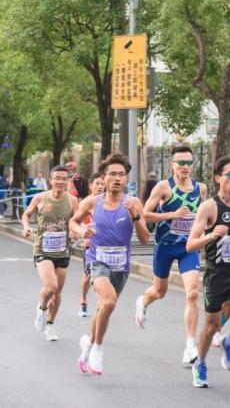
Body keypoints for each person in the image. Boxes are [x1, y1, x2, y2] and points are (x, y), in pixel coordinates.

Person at [70, 153, 150, 374]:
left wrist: (136, 217)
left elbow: (145, 239)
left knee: (103, 308)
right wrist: (81, 230)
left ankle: (86, 344)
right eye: (112, 174)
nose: (117, 178)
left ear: (126, 179)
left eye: (121, 175)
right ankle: (97, 348)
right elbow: (73, 221)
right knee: (109, 302)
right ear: (103, 178)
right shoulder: (92, 202)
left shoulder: (133, 203)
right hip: (97, 261)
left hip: (120, 266)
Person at [187, 157, 230, 388]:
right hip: (217, 275)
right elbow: (190, 245)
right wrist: (211, 235)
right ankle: (201, 362)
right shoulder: (209, 207)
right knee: (211, 326)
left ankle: (229, 342)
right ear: (218, 178)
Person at [135, 146, 208, 366]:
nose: (185, 167)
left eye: (188, 162)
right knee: (160, 291)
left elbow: (202, 216)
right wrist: (171, 214)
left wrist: (203, 234)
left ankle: (189, 346)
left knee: (193, 294)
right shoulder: (163, 187)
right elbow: (144, 214)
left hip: (187, 248)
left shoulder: (200, 188)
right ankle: (143, 301)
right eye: (181, 162)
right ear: (172, 164)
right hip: (165, 246)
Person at [21, 165, 79, 341]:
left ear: (68, 181)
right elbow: (26, 215)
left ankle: (50, 325)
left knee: (58, 292)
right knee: (51, 286)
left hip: (63, 251)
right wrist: (26, 227)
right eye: (57, 178)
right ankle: (42, 308)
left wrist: (76, 232)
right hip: (43, 250)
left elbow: (75, 222)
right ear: (51, 180)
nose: (61, 181)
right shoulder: (40, 198)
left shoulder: (72, 201)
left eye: (64, 178)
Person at [78, 172, 106, 317]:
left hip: (105, 246)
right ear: (91, 185)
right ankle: (83, 300)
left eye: (102, 184)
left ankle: (102, 303)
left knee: (102, 276)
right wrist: (83, 231)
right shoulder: (86, 203)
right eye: (97, 184)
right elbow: (76, 222)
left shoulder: (108, 202)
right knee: (88, 277)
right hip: (90, 245)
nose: (100, 186)